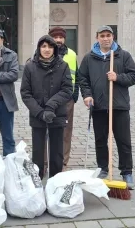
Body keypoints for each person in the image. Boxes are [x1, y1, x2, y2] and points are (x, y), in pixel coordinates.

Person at [78, 25, 135, 190]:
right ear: (97, 38)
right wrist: (87, 95)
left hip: (119, 106)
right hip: (98, 106)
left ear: (113, 37)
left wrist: (117, 77)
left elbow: (134, 76)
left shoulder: (122, 55)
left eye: (108, 35)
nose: (106, 38)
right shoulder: (89, 58)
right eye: (102, 36)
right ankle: (103, 168)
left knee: (123, 141)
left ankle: (126, 171)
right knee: (100, 140)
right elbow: (82, 79)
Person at [20, 35, 72, 179]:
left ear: (54, 49)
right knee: (38, 151)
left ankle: (56, 181)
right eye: (43, 46)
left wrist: (50, 106)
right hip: (38, 115)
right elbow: (25, 93)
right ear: (39, 48)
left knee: (57, 152)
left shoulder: (63, 66)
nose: (47, 50)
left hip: (57, 113)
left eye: (50, 47)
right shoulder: (30, 67)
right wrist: (40, 112)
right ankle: (37, 179)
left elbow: (67, 90)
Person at [48, 26, 79, 170]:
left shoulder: (72, 54)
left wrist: (75, 94)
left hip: (67, 99)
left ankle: (63, 162)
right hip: (48, 98)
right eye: (55, 37)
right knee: (46, 130)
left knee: (66, 131)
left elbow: (77, 75)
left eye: (61, 37)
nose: (58, 40)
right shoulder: (45, 52)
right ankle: (45, 161)